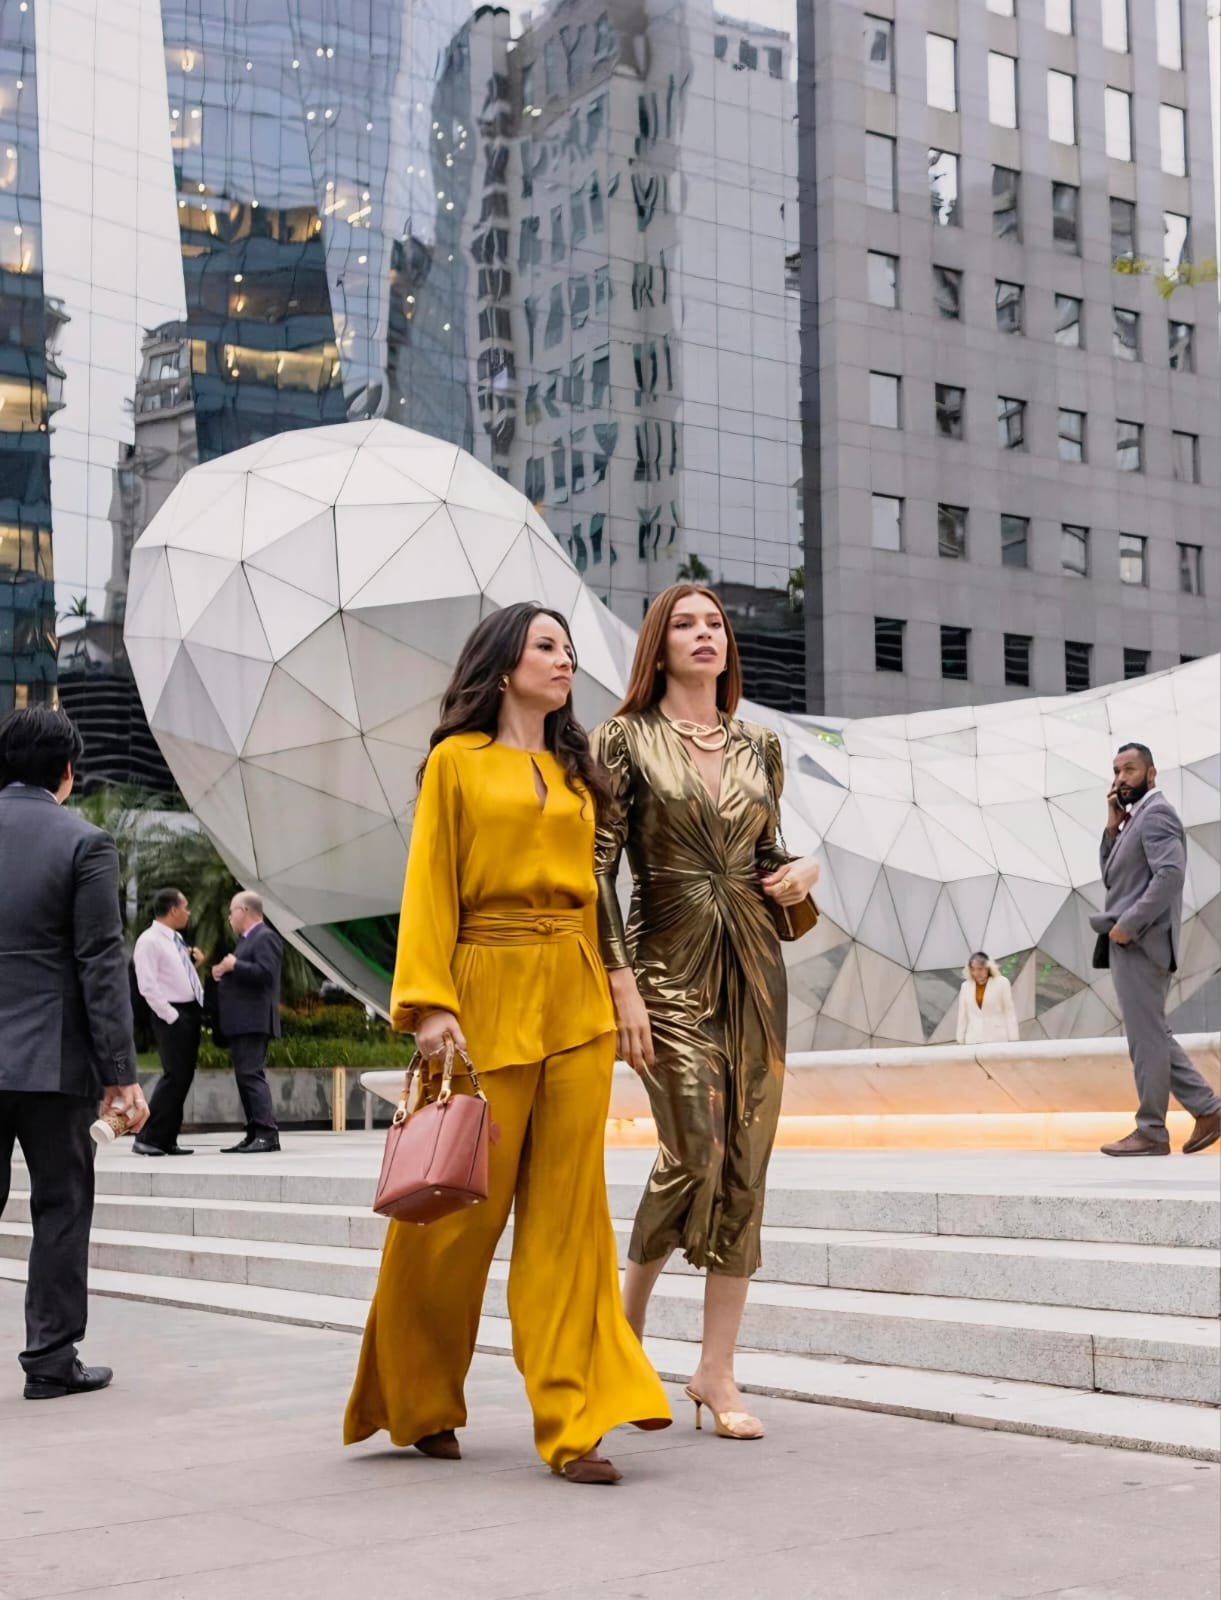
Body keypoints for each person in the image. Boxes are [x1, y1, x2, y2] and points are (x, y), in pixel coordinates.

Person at [344, 602, 671, 1483]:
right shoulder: (456, 762)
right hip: (483, 993)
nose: (565, 661)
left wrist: (621, 984)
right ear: (500, 666)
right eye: (546, 646)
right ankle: (417, 1398)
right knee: (455, 1217)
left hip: (576, 999)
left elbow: (598, 896)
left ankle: (575, 1419)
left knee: (570, 1220)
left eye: (569, 648)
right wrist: (428, 1006)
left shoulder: (578, 773)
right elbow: (428, 881)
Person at [591, 583, 820, 1441]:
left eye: (713, 624)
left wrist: (802, 872)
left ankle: (715, 1370)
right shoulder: (622, 739)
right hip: (663, 965)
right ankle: (621, 1335)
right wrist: (619, 982)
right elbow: (594, 868)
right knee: (693, 1149)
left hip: (754, 964)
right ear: (657, 644)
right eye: (684, 624)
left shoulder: (759, 744)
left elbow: (766, 853)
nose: (703, 635)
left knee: (746, 1161)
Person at [0, 707, 149, 1399]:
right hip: (53, 1060)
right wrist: (121, 1076)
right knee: (60, 1205)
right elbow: (100, 964)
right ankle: (50, 1360)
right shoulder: (84, 842)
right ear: (67, 771)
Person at [1093, 742, 1221, 1158]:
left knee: (1145, 1039)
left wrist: (1128, 927)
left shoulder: (1157, 814)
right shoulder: (1133, 820)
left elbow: (1169, 876)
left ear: (1151, 774)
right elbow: (1112, 875)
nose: (1120, 778)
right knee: (1151, 1035)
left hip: (1141, 943)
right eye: (1116, 771)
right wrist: (1112, 828)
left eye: (1129, 769)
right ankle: (1208, 1109)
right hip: (1131, 944)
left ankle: (1151, 1130)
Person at [131, 887, 205, 1156]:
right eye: (185, 907)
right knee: (174, 1076)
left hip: (188, 1010)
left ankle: (166, 1138)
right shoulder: (149, 940)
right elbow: (147, 985)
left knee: (183, 1077)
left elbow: (175, 974)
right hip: (171, 1014)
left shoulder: (175, 939)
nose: (188, 912)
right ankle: (148, 1137)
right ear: (173, 909)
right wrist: (171, 1015)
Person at [212, 891, 283, 1154]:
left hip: (254, 1021)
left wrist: (235, 966)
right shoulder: (246, 940)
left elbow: (266, 974)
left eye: (231, 912)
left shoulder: (265, 937)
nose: (229, 918)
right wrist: (224, 971)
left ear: (244, 910)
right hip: (242, 1022)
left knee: (252, 1075)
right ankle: (254, 1131)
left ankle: (266, 1133)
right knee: (245, 1077)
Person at [955, 953, 1020, 1045]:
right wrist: (960, 1040)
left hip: (998, 1039)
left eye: (980, 969)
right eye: (973, 969)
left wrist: (1014, 1040)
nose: (976, 973)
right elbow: (962, 1015)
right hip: (973, 1040)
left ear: (988, 968)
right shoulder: (965, 986)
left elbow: (1009, 1012)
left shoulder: (1002, 983)